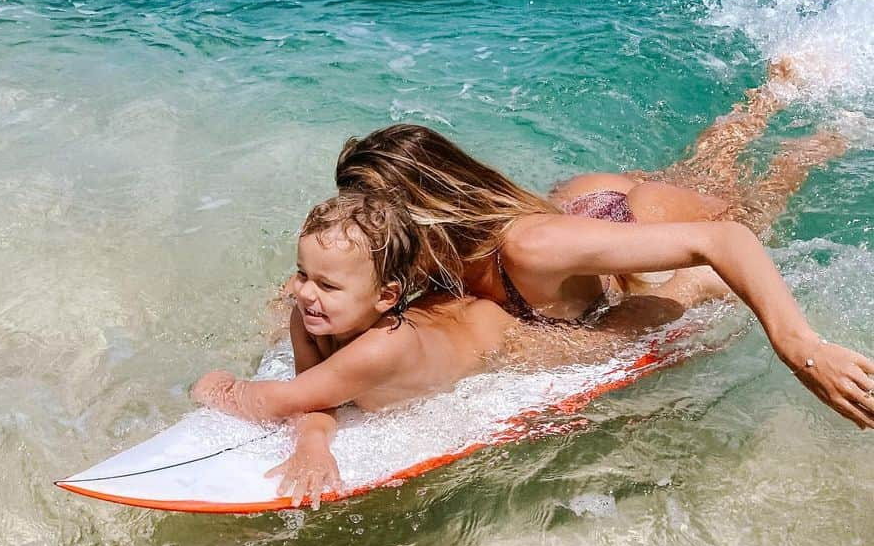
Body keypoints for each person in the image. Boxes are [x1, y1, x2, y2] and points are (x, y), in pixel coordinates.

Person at [333, 62, 874, 433]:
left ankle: (806, 130)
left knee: (756, 207)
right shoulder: (424, 251)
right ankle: (771, 97)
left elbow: (725, 241)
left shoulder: (529, 247)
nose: (360, 230)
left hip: (625, 215)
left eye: (369, 218)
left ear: (424, 209)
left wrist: (801, 348)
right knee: (704, 166)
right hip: (584, 214)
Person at [193, 192, 526, 507]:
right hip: (446, 315)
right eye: (302, 274)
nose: (306, 292)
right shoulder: (306, 316)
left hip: (501, 333)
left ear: (386, 297)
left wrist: (220, 388)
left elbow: (276, 401)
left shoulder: (383, 347)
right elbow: (312, 394)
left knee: (575, 345)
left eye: (327, 285)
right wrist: (312, 442)